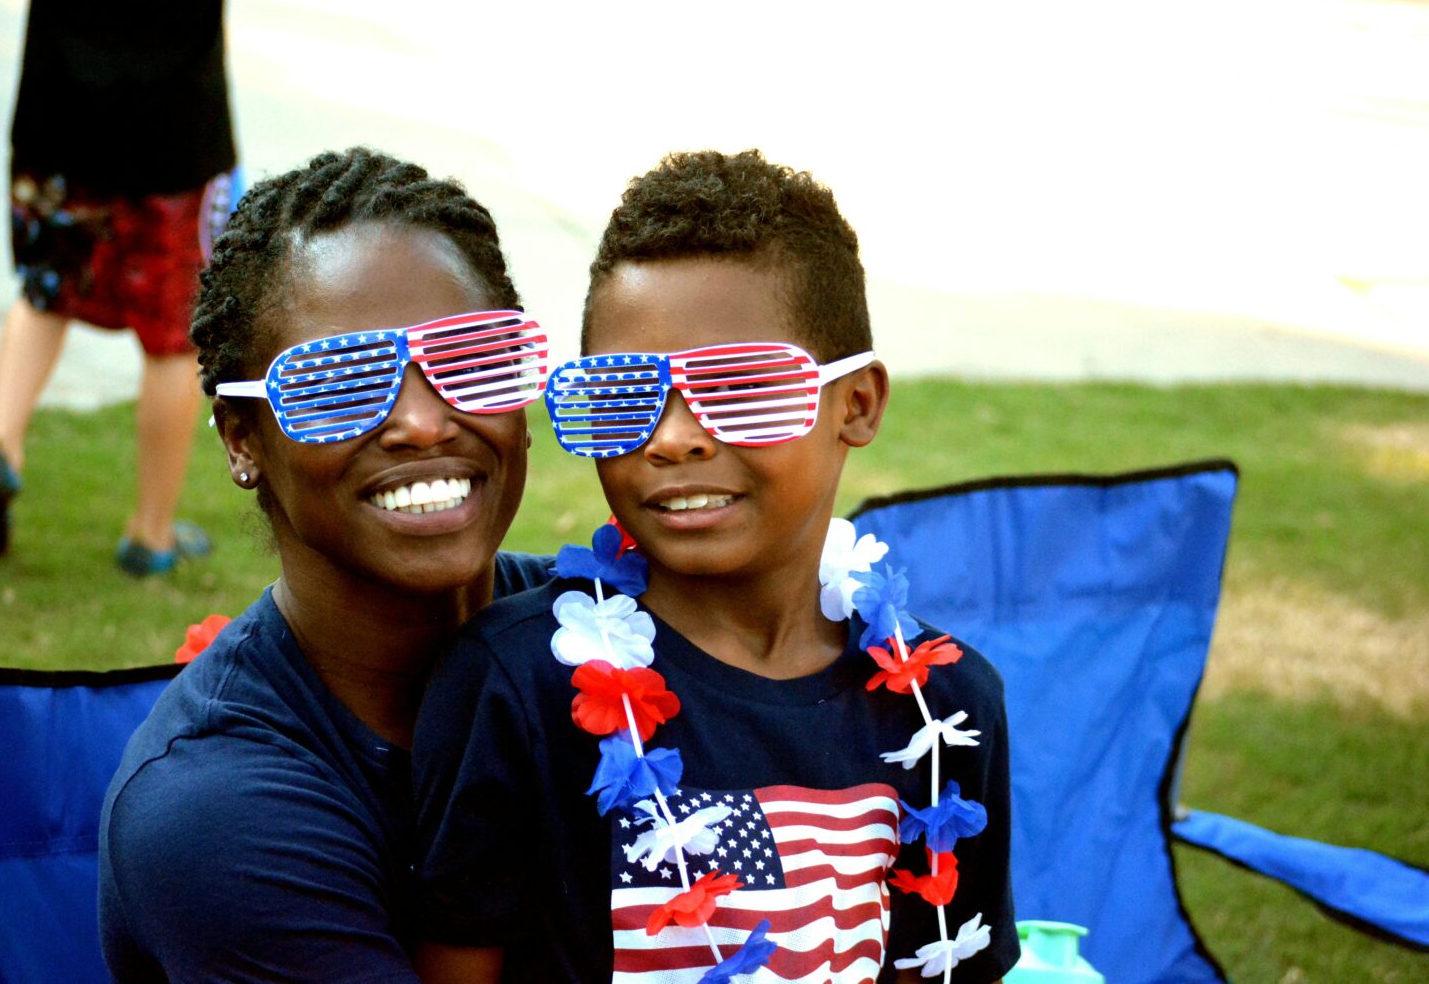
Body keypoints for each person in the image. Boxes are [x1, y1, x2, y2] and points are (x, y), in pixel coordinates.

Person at [412, 150, 1018, 982]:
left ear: (858, 404)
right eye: (622, 392)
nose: (672, 435)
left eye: (742, 387)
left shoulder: (942, 707)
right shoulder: (517, 687)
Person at [97, 148, 553, 981]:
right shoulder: (215, 817)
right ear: (244, 441)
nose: (422, 421)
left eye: (471, 358)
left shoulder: (606, 628)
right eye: (340, 382)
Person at [0, 0, 238, 576]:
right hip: (175, 141)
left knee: (45, 291)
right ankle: (150, 533)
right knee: (172, 339)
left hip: (59, 124)